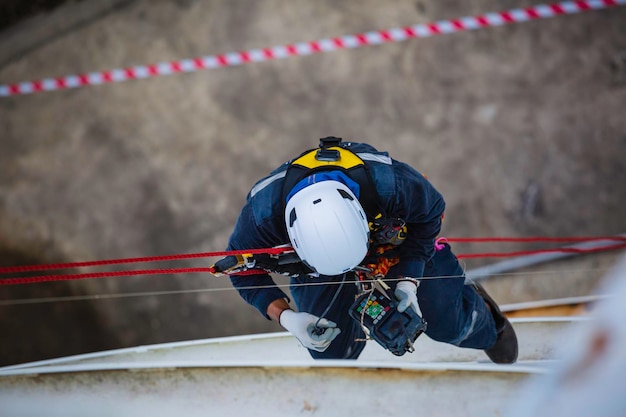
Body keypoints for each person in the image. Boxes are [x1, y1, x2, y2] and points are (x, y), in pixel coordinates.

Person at [226, 137, 518, 363]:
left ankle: (487, 322)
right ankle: (352, 334)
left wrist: (409, 281)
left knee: (449, 325)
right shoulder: (261, 218)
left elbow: (431, 213)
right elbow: (241, 272)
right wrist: (286, 317)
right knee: (330, 353)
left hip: (390, 244)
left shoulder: (392, 185)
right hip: (316, 266)